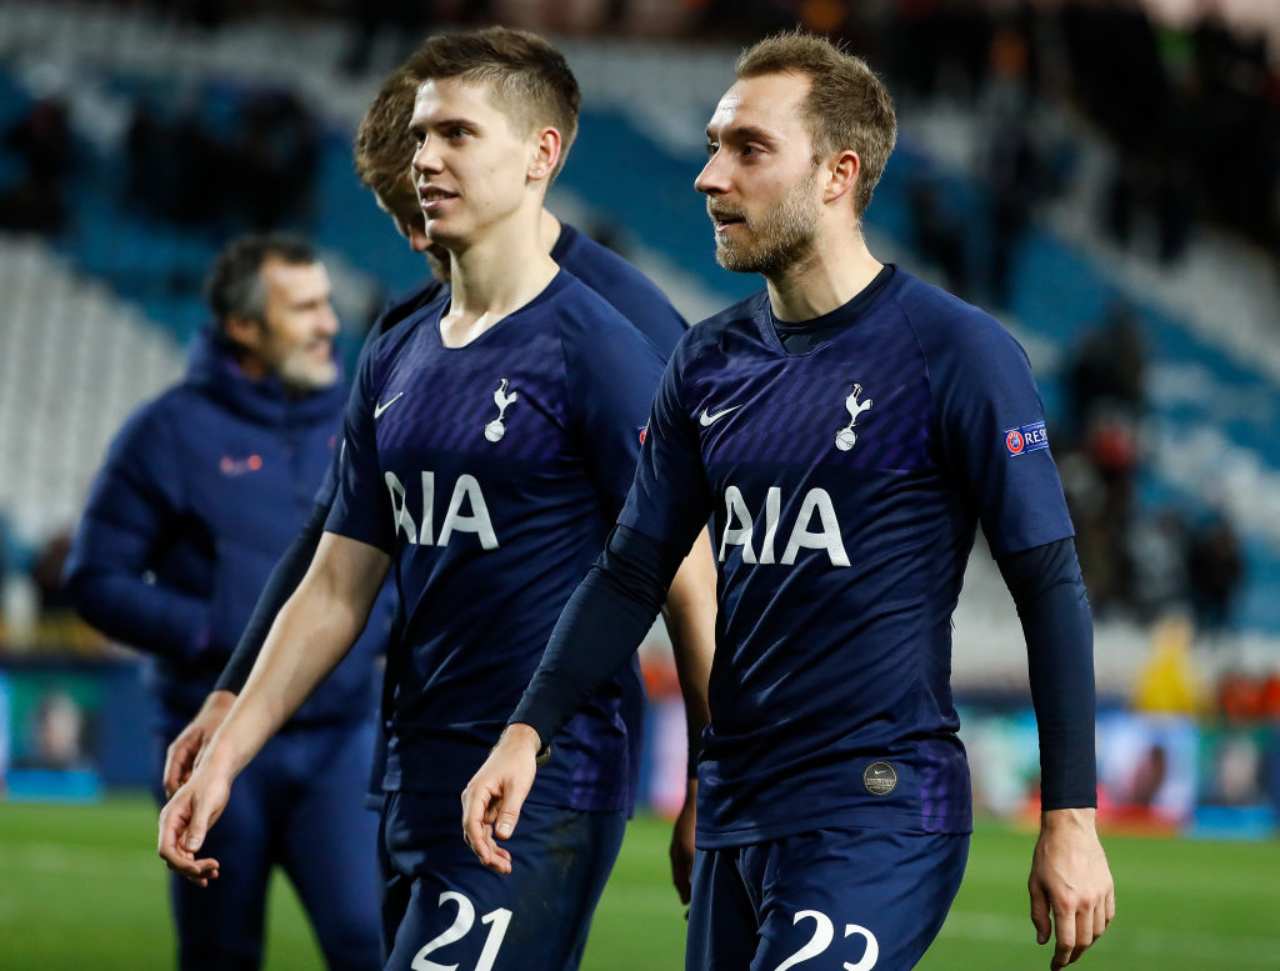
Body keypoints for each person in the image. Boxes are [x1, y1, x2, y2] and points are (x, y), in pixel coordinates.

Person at [463, 31, 1116, 971]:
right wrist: (527, 732)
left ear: (838, 174)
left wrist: (1072, 816)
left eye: (749, 149)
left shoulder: (955, 353)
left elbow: (1049, 584)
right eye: (712, 146)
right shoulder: (706, 361)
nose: (710, 177)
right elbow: (632, 570)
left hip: (878, 806)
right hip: (738, 807)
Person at [157, 27, 716, 971]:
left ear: (540, 155)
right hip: (413, 767)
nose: (426, 162)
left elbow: (689, 576)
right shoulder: (398, 347)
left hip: (542, 773)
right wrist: (227, 744)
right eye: (421, 138)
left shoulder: (610, 342)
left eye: (455, 134)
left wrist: (714, 779)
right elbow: (334, 575)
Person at [65, 235, 384, 971]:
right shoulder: (165, 432)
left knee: (368, 940)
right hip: (212, 736)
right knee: (220, 953)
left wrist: (380, 632)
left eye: (326, 303)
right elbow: (94, 576)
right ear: (243, 325)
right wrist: (214, 632)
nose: (329, 323)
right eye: (303, 308)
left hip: (341, 738)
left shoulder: (362, 417)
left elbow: (389, 559)